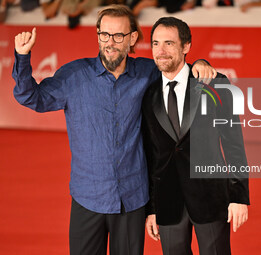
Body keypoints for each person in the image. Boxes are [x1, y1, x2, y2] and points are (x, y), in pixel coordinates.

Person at [12, 4, 216, 255]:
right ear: (98, 35)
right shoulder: (74, 75)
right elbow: (32, 98)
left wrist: (200, 63)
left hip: (132, 199)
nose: (110, 42)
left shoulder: (147, 72)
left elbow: (175, 69)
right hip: (88, 197)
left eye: (118, 36)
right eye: (104, 35)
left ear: (131, 38)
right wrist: (22, 58)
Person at [142, 17, 250, 255]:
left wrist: (239, 196)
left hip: (210, 196)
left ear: (186, 46)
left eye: (169, 43)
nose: (161, 51)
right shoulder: (148, 95)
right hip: (168, 203)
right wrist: (151, 208)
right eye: (156, 43)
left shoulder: (215, 84)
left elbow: (234, 144)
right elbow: (151, 156)